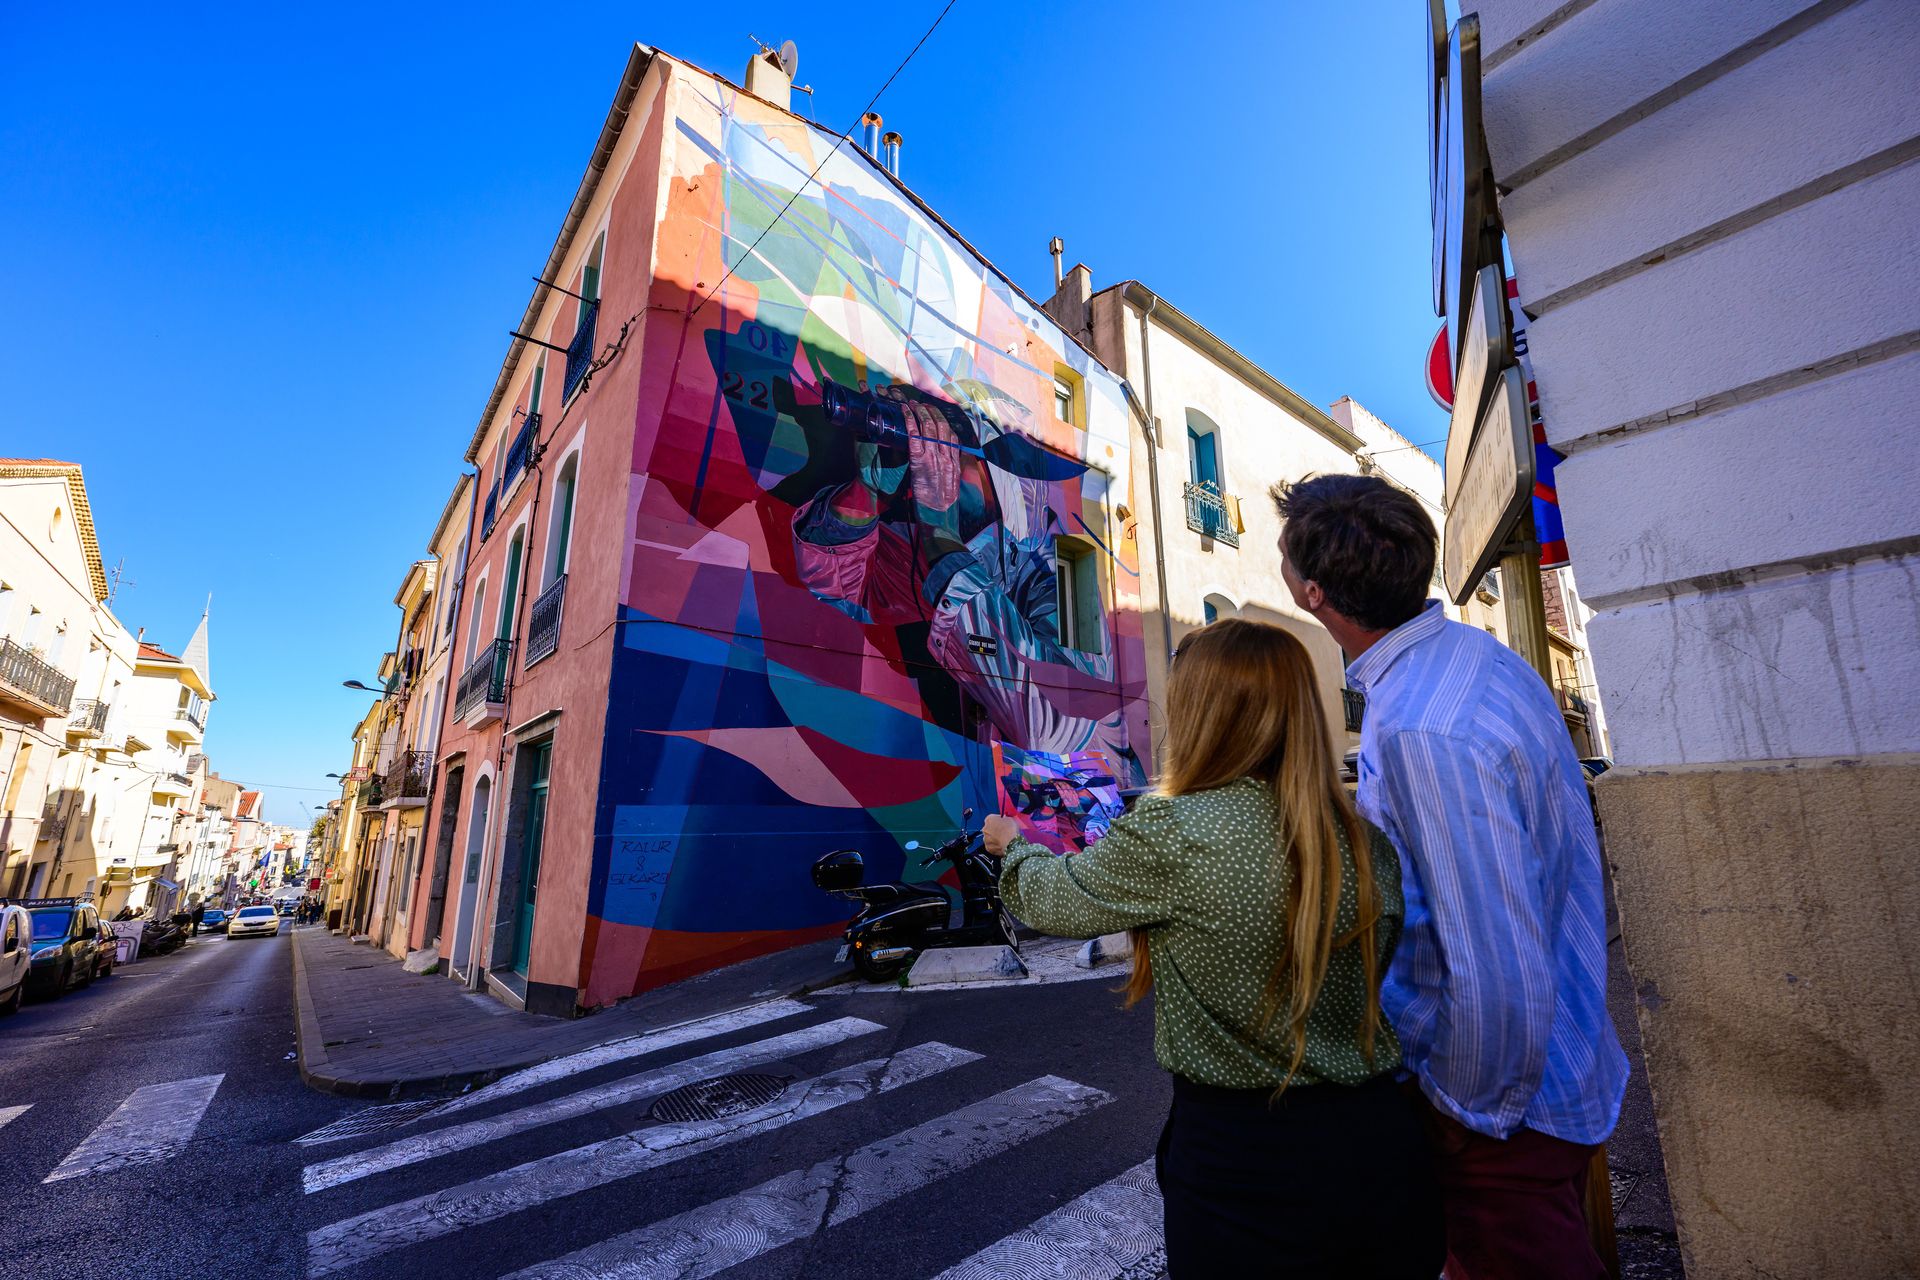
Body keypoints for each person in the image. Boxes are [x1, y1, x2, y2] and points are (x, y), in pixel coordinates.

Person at [986, 618, 1443, 1278]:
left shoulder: (1175, 830)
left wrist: (1012, 847)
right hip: (1383, 1153)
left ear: (1202, 714)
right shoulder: (1365, 842)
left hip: (1246, 1165)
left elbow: (1052, 901)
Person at [1272, 473, 1628, 1280]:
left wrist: (1467, 1116)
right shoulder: (1469, 659)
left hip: (1505, 1115)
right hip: (1548, 1077)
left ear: (1313, 591)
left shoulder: (1423, 729)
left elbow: (1492, 966)